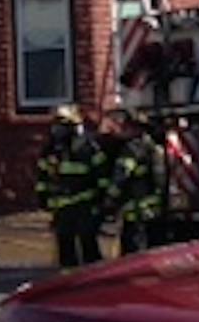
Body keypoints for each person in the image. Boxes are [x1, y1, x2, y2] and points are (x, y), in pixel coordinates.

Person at [34, 105, 107, 268]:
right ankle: (69, 282)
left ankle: (94, 280)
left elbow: (101, 178)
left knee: (88, 244)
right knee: (65, 247)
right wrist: (43, 196)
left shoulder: (88, 148)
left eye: (62, 125)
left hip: (85, 206)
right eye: (56, 125)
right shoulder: (51, 149)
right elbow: (42, 176)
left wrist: (102, 203)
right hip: (62, 208)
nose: (57, 129)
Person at [106, 113, 165, 254]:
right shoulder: (154, 148)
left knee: (132, 252)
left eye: (127, 126)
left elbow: (121, 176)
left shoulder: (132, 149)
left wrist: (110, 198)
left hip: (136, 210)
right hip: (152, 210)